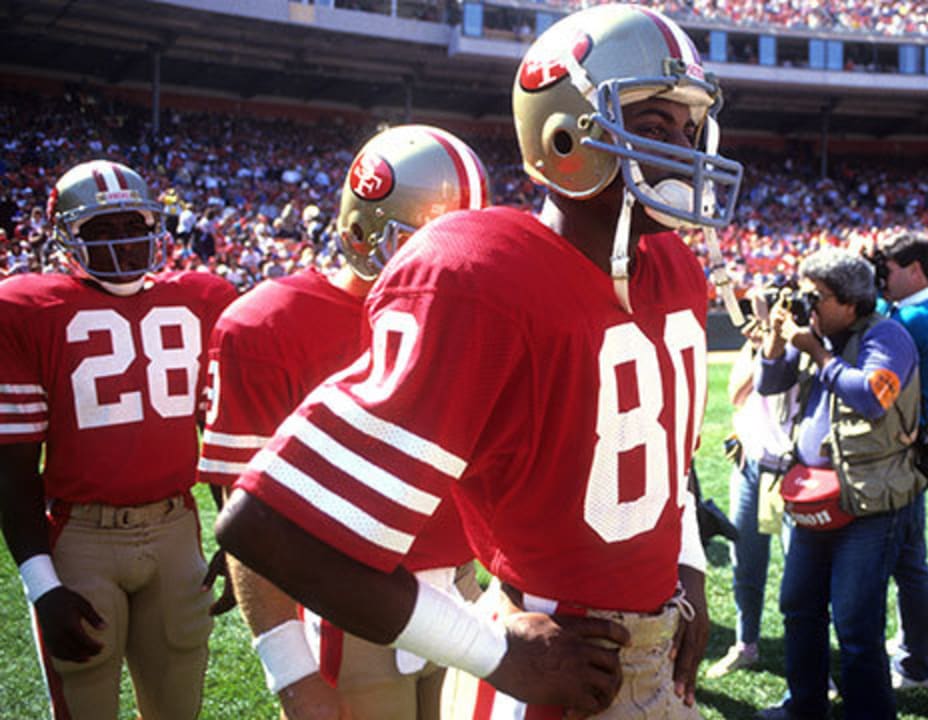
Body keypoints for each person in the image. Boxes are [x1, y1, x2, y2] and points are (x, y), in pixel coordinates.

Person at [214, 4, 743, 718]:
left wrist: (689, 570)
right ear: (563, 135)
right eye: (651, 129)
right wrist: (495, 653)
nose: (683, 152)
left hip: (656, 653)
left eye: (689, 130)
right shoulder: (481, 275)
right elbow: (265, 527)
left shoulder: (673, 269)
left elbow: (662, 458)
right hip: (551, 658)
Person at [198, 125, 490, 718]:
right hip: (347, 609)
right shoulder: (265, 325)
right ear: (361, 231)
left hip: (465, 592)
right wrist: (292, 675)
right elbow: (249, 522)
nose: (456, 260)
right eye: (432, 239)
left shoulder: (474, 316)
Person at [0, 160, 237, 719]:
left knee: (179, 706)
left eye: (132, 224)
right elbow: (12, 468)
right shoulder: (26, 309)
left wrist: (237, 538)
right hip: (81, 536)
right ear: (66, 237)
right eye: (100, 230)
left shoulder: (204, 297)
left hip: (178, 528)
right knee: (85, 703)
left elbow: (222, 434)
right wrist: (42, 585)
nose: (123, 243)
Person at [756, 247, 926, 720]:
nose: (807, 306)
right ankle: (804, 706)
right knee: (799, 607)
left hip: (868, 502)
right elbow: (770, 384)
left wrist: (816, 351)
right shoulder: (818, 334)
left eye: (817, 296)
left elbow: (873, 396)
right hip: (816, 496)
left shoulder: (888, 336)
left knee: (855, 622)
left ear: (851, 302)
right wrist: (776, 338)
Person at [876, 232, 928, 690]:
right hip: (916, 441)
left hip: (906, 446)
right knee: (909, 558)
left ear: (916, 270)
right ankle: (911, 645)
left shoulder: (916, 317)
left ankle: (914, 664)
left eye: (888, 269)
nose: (883, 278)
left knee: (907, 561)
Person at [707, 292, 794, 680]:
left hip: (793, 471)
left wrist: (780, 339)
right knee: (746, 563)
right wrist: (758, 341)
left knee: (801, 571)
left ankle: (811, 662)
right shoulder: (754, 344)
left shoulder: (804, 345)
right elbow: (736, 393)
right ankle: (745, 644)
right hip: (751, 467)